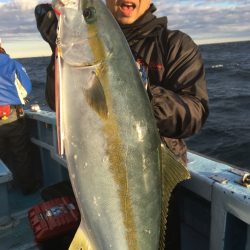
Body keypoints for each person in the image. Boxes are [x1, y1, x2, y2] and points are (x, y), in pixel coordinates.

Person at [34, 0, 209, 248]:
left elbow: (195, 113)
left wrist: (137, 94)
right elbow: (59, 103)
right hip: (96, 178)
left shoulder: (175, 45)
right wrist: (58, 50)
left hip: (154, 187)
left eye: (88, 13)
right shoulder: (84, 44)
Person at [0, 43, 39, 195]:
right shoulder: (12, 64)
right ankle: (27, 186)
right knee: (20, 152)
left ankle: (6, 191)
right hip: (11, 117)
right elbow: (26, 88)